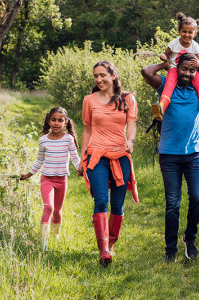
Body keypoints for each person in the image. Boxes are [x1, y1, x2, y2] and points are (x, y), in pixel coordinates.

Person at [141, 52, 199, 262]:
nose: (187, 73)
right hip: (169, 154)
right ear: (177, 69)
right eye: (184, 69)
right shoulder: (166, 85)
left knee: (197, 200)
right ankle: (170, 250)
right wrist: (166, 64)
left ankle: (189, 239)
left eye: (191, 70)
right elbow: (146, 72)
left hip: (194, 154)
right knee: (172, 203)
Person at [78, 60, 139, 267]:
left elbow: (131, 124)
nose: (99, 79)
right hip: (96, 156)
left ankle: (111, 243)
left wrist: (130, 141)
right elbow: (87, 129)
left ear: (113, 75)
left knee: (118, 204)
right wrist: (81, 158)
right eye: (95, 76)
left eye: (103, 75)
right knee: (101, 200)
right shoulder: (89, 100)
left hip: (120, 156)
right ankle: (103, 250)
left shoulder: (127, 98)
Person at [20, 107, 80, 250]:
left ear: (66, 122)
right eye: (53, 120)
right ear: (48, 121)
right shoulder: (43, 140)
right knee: (48, 207)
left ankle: (56, 236)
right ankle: (43, 244)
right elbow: (39, 160)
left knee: (58, 211)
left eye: (60, 120)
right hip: (46, 179)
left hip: (62, 180)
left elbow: (75, 158)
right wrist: (29, 174)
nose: (56, 123)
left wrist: (80, 169)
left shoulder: (68, 139)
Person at [151, 12, 199, 122]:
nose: (187, 34)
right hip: (175, 68)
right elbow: (167, 54)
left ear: (195, 34)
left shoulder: (195, 46)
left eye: (190, 32)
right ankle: (161, 108)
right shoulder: (174, 43)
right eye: (184, 31)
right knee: (169, 86)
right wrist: (164, 57)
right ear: (179, 31)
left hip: (192, 70)